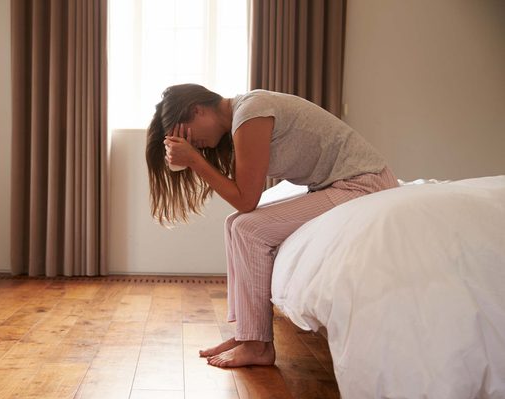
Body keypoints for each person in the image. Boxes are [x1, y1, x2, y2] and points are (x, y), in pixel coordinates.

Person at [145, 83, 399, 368]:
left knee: (247, 228)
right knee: (234, 224)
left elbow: (246, 200)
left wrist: (194, 161)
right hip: (342, 184)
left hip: (364, 185)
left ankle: (258, 346)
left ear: (197, 110)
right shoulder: (243, 116)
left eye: (187, 134)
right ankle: (247, 335)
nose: (192, 144)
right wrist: (194, 158)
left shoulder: (251, 112)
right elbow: (242, 204)